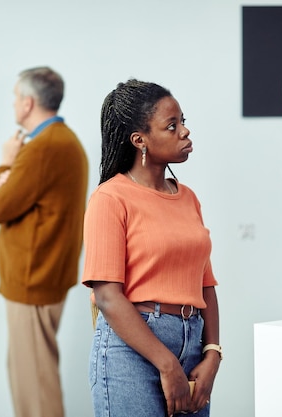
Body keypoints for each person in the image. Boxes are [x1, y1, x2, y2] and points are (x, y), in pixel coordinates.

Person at [82, 79, 221, 417]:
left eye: (183, 121)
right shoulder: (110, 198)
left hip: (192, 343)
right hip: (132, 350)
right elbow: (107, 296)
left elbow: (205, 285)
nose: (185, 132)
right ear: (139, 140)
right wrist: (167, 364)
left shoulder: (188, 198)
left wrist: (212, 353)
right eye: (172, 126)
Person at [0, 67, 88, 417]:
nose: (13, 104)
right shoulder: (66, 141)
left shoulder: (42, 148)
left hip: (33, 280)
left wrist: (5, 164)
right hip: (45, 277)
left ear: (27, 103)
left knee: (34, 387)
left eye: (15, 97)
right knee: (31, 379)